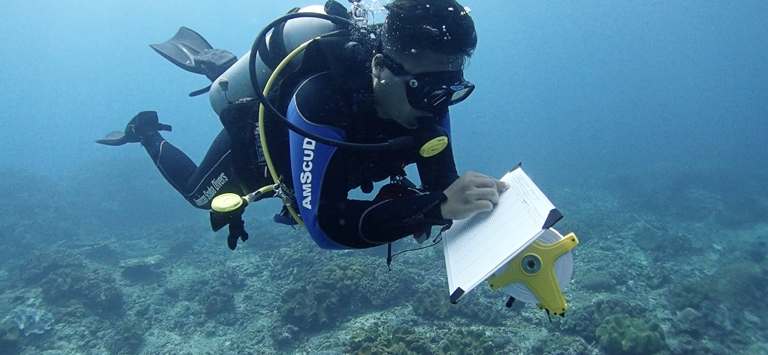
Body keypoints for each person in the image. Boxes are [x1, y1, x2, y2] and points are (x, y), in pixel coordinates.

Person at [97, 0, 507, 251]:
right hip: (261, 149)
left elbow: (444, 187)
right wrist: (432, 209)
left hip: (331, 153)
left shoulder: (426, 100)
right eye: (426, 88)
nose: (439, 105)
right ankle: (146, 132)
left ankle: (218, 63)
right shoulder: (318, 102)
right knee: (199, 197)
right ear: (380, 67)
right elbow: (325, 228)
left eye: (451, 89)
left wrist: (456, 202)